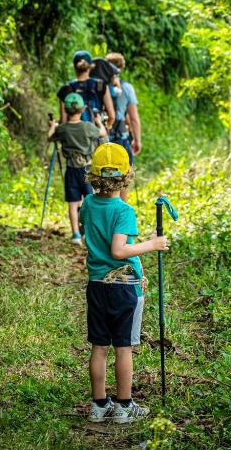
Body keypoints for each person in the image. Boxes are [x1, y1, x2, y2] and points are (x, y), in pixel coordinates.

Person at [79, 143, 168, 424]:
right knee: (123, 347)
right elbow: (119, 251)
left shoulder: (88, 204)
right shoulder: (124, 210)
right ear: (127, 176)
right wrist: (152, 244)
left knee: (99, 346)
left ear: (93, 175)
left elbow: (94, 231)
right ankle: (124, 406)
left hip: (96, 284)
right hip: (122, 286)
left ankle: (98, 405)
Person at [48, 92, 106, 245]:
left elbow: (50, 137)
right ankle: (88, 233)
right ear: (82, 110)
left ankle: (75, 234)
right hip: (86, 169)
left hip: (71, 169)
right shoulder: (88, 127)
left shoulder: (63, 129)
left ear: (66, 111)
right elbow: (102, 133)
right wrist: (99, 122)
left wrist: (53, 127)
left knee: (73, 203)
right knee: (89, 201)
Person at [105, 53, 141, 201]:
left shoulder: (99, 86)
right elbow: (133, 118)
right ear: (121, 68)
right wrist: (137, 140)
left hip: (103, 136)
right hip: (121, 137)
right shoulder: (127, 88)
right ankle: (120, 211)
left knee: (103, 176)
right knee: (124, 177)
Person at [57, 50, 115, 130]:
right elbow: (111, 116)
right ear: (90, 67)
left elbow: (63, 121)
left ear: (74, 67)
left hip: (74, 137)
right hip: (96, 135)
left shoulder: (65, 89)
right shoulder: (100, 85)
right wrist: (106, 128)